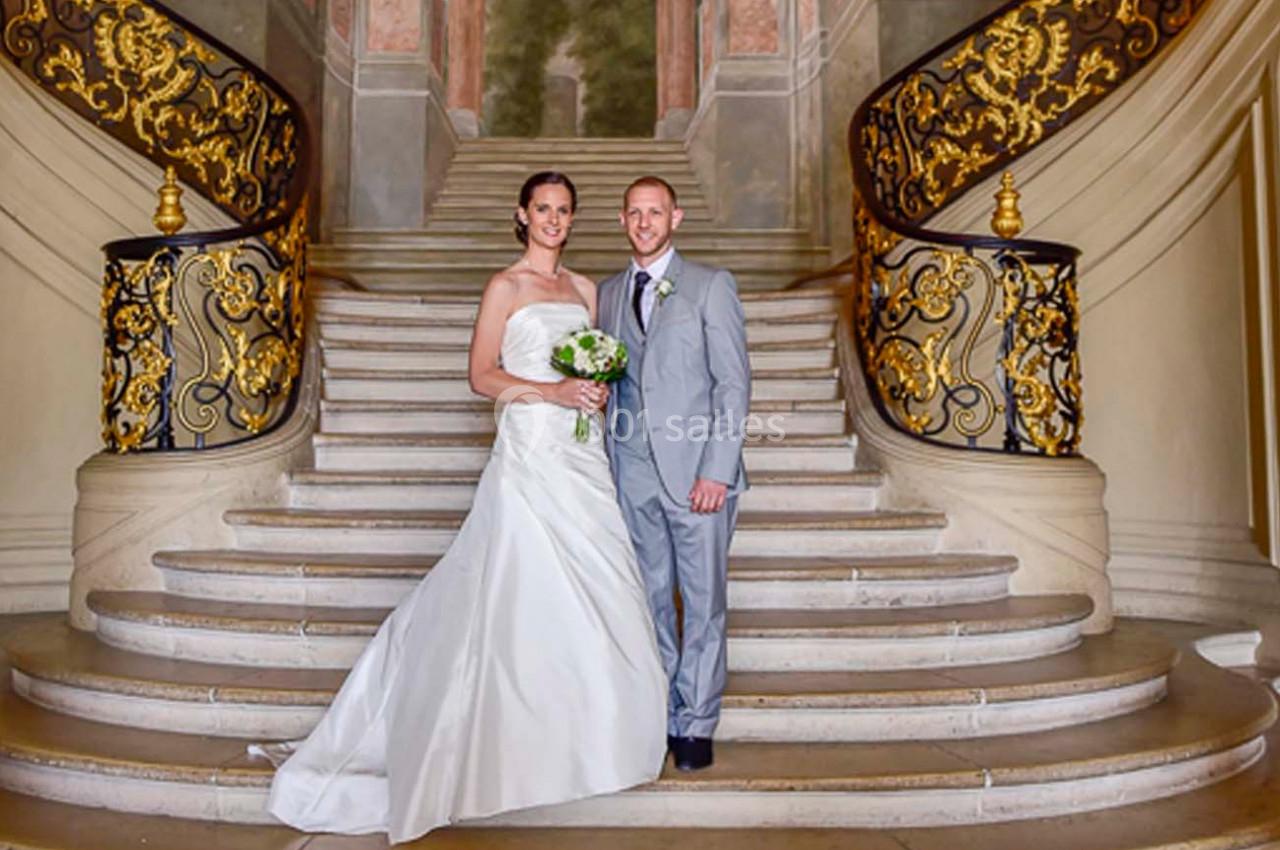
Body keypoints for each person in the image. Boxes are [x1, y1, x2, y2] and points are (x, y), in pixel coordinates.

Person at [253, 171, 668, 844]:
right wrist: (552, 392)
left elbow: (599, 375)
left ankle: (596, 729)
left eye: (564, 210)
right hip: (531, 447)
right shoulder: (505, 287)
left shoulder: (589, 289)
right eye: (543, 209)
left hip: (583, 453)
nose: (554, 220)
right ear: (523, 215)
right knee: (519, 576)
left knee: (602, 577)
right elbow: (481, 375)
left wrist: (592, 394)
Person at [599, 176, 751, 772]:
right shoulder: (609, 293)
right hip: (631, 469)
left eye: (654, 212)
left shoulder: (711, 287)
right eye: (634, 212)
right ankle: (659, 709)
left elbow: (733, 384)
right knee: (649, 597)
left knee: (704, 600)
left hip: (697, 474)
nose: (644, 222)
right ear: (622, 220)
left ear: (675, 218)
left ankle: (696, 722)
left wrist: (718, 468)